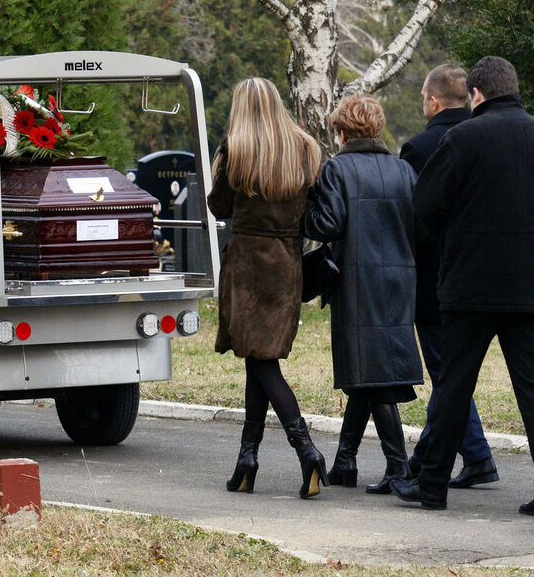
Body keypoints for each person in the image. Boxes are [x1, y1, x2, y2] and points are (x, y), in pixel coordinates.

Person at [391, 56, 534, 516]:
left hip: (470, 284)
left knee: (454, 385)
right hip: (531, 285)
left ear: (475, 94)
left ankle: (432, 484)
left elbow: (424, 207)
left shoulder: (463, 138)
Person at [208, 76, 327, 499]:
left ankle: (307, 450)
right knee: (259, 358)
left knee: (262, 362)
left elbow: (219, 205)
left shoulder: (236, 149)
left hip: (246, 265)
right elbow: (314, 203)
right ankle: (247, 459)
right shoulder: (305, 148)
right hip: (286, 263)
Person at [304, 95, 423, 494]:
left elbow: (327, 224)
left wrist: (305, 208)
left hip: (357, 281)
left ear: (342, 131)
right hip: (400, 280)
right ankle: (345, 462)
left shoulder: (337, 169)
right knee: (367, 372)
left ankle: (398, 467)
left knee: (373, 376)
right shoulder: (403, 170)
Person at [400, 65, 498, 490]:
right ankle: (473, 454)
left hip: (433, 275)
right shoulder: (488, 139)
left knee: (446, 373)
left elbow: (415, 216)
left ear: (434, 101)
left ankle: (457, 457)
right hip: (482, 270)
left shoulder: (420, 148)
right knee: (453, 373)